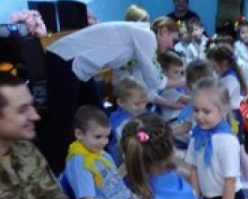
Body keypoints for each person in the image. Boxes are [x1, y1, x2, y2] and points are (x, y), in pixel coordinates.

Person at [41, 17, 179, 173]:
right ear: (163, 31)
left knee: (98, 116)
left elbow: (148, 80)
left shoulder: (140, 34)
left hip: (77, 67)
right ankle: (54, 171)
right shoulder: (146, 35)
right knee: (63, 123)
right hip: (63, 58)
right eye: (172, 41)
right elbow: (155, 79)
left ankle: (103, 167)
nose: (171, 47)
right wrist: (185, 81)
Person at [64, 106, 131, 199]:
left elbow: (116, 183)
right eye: (98, 137)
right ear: (79, 134)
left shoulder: (102, 154)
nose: (104, 142)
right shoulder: (79, 161)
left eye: (107, 137)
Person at [206, 44, 248, 185]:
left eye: (214, 66)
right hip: (226, 115)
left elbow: (220, 97)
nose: (213, 70)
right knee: (233, 149)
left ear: (223, 63)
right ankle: (237, 176)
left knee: (238, 149)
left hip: (232, 117)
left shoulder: (230, 79)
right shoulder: (225, 77)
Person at [108, 77, 149, 165]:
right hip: (121, 162)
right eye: (137, 104)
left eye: (145, 103)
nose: (142, 107)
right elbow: (132, 139)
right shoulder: (119, 122)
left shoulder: (135, 112)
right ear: (121, 102)